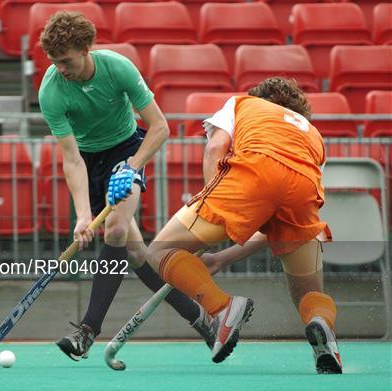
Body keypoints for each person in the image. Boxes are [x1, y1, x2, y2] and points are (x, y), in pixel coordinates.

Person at [110, 77, 343, 373]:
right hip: (304, 189)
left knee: (159, 250)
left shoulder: (242, 103)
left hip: (254, 173)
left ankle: (223, 310)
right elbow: (268, 227)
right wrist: (220, 258)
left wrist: (213, 207)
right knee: (308, 294)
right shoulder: (312, 135)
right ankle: (322, 330)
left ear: (260, 97)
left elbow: (215, 147)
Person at [38, 11, 218, 361]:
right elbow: (71, 159)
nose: (60, 68)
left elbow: (160, 127)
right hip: (89, 163)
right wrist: (82, 215)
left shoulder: (117, 68)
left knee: (117, 229)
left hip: (126, 151)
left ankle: (87, 331)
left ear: (86, 48)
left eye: (66, 60)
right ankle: (204, 322)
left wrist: (132, 166)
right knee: (137, 255)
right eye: (54, 62)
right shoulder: (51, 91)